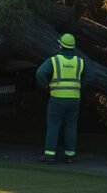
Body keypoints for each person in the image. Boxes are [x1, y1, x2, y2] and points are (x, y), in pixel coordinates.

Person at [35, 33, 86, 163]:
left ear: (60, 45)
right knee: (71, 127)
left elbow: (40, 73)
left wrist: (45, 86)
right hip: (74, 99)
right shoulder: (79, 61)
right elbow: (89, 77)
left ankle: (49, 155)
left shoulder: (54, 60)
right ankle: (70, 155)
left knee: (53, 126)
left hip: (57, 99)